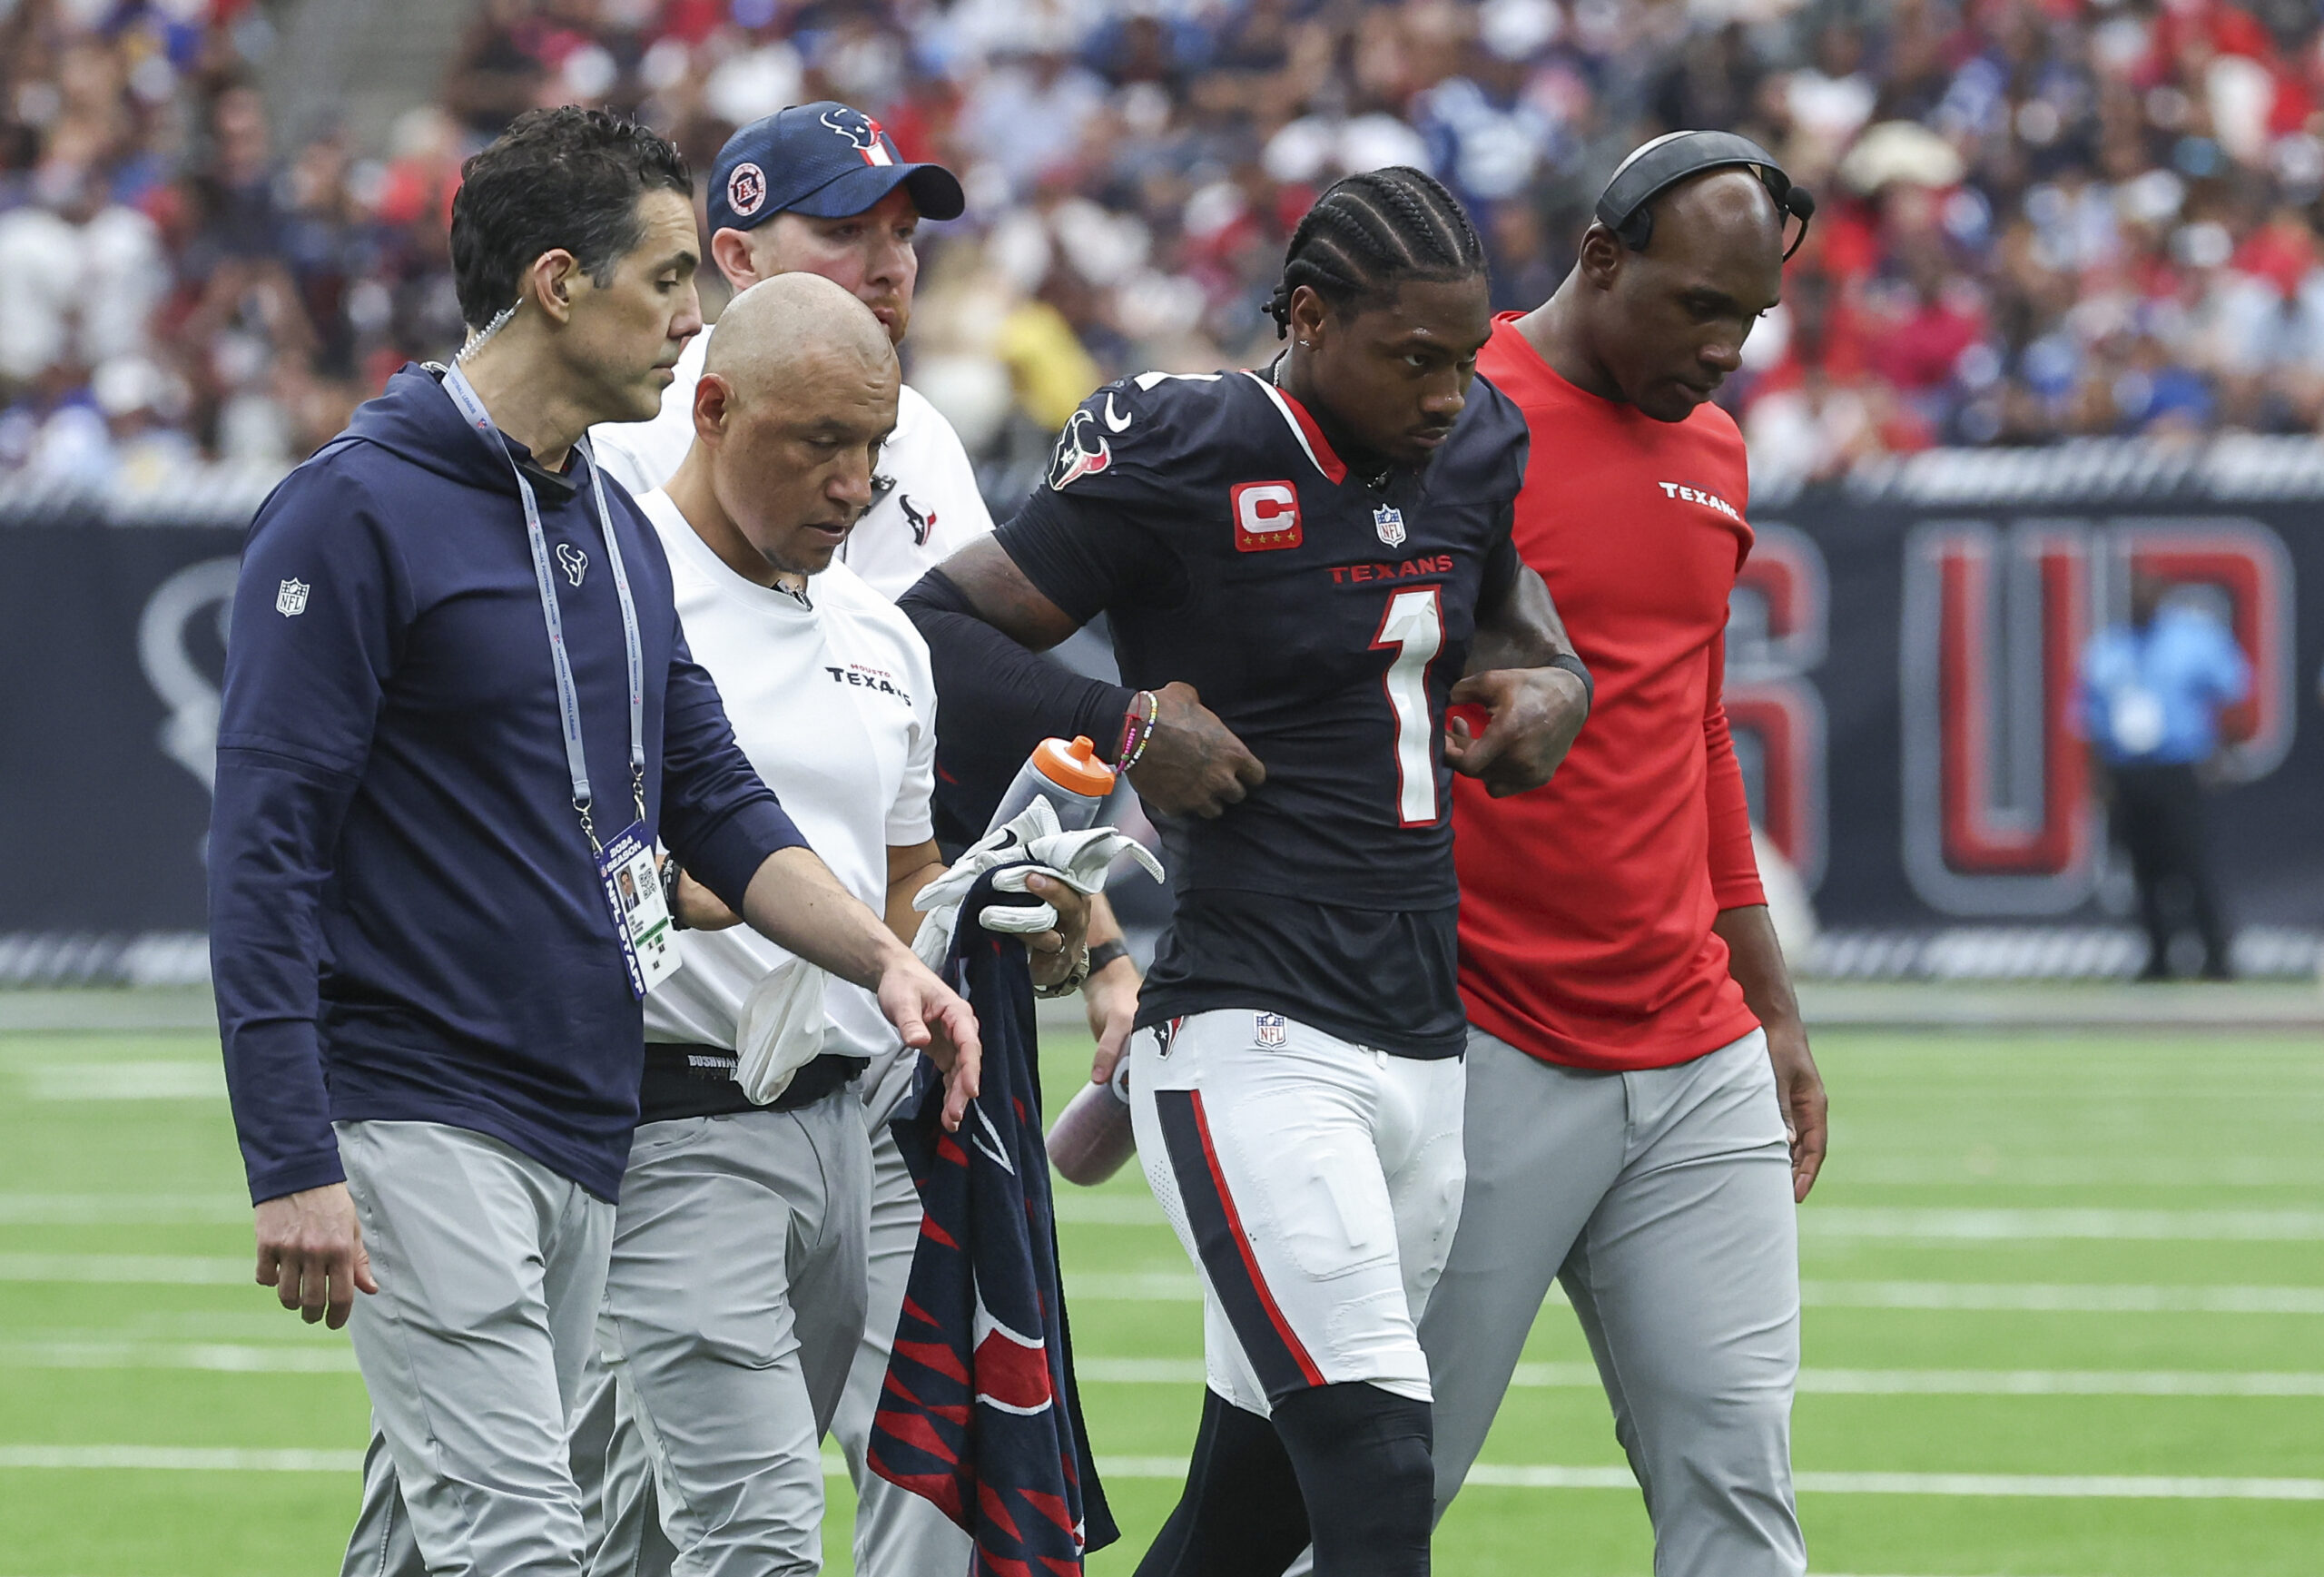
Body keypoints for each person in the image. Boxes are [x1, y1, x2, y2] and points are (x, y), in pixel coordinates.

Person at [206, 107, 979, 1577]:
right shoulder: (348, 512)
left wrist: (887, 958)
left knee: (444, 1546)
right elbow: (264, 852)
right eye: (671, 277)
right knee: (523, 1544)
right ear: (560, 283)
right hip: (424, 1105)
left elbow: (715, 801)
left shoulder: (609, 524)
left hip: (586, 1115)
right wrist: (290, 1153)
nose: (696, 318)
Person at [901, 166, 1592, 1577]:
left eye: (1466, 358)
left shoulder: (1474, 443)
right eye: (1412, 358)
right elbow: (938, 634)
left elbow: (1505, 596)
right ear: (1309, 315)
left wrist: (1553, 677)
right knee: (1384, 1465)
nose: (1450, 393)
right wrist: (1127, 723)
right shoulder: (1191, 444)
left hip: (1422, 1026)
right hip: (1248, 1024)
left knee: (1249, 1512)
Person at [584, 100, 1140, 1577]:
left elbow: (928, 714)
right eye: (846, 231)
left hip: (881, 1064)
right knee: (601, 1513)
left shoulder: (893, 531)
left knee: (930, 1475)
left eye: (906, 230)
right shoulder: (615, 492)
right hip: (659, 1089)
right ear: (731, 256)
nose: (887, 261)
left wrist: (1027, 911)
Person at [1409, 133, 1828, 1577]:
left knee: (1739, 1494)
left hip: (1694, 1042)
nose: (1723, 350)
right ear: (1600, 258)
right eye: (1698, 306)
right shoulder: (1444, 411)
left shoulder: (1715, 451)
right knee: (1378, 1491)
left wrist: (1770, 1004)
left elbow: (1692, 733)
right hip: (1477, 1038)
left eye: (1751, 318)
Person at [2080, 569, 2250, 980]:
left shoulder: (2191, 640)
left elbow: (2235, 692)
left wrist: (2223, 750)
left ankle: (2216, 957)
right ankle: (2158, 959)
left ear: (2163, 597)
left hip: (2177, 767)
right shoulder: (2108, 649)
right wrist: (2099, 780)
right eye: (2134, 593)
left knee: (2190, 866)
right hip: (2128, 771)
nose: (2141, 601)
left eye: (2149, 593)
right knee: (2143, 871)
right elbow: (2089, 720)